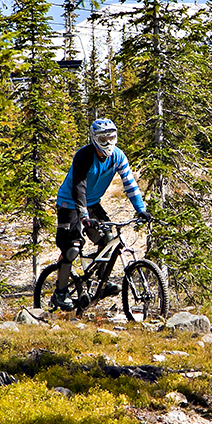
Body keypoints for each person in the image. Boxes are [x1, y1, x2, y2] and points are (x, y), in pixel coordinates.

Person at [52, 118, 151, 311]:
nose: (107, 142)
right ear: (94, 138)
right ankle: (60, 292)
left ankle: (99, 285)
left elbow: (130, 184)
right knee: (72, 248)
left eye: (111, 137)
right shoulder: (84, 156)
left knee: (108, 240)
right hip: (69, 202)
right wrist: (83, 216)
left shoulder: (118, 156)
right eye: (102, 138)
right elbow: (78, 188)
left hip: (92, 203)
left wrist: (141, 209)